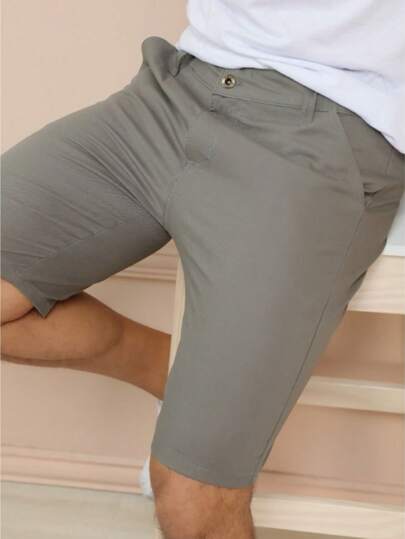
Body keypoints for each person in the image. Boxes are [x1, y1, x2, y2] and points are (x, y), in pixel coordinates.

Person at [1, 2, 404, 538]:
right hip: (178, 89)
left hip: (326, 127)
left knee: (193, 496)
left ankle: (199, 405)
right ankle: (167, 373)